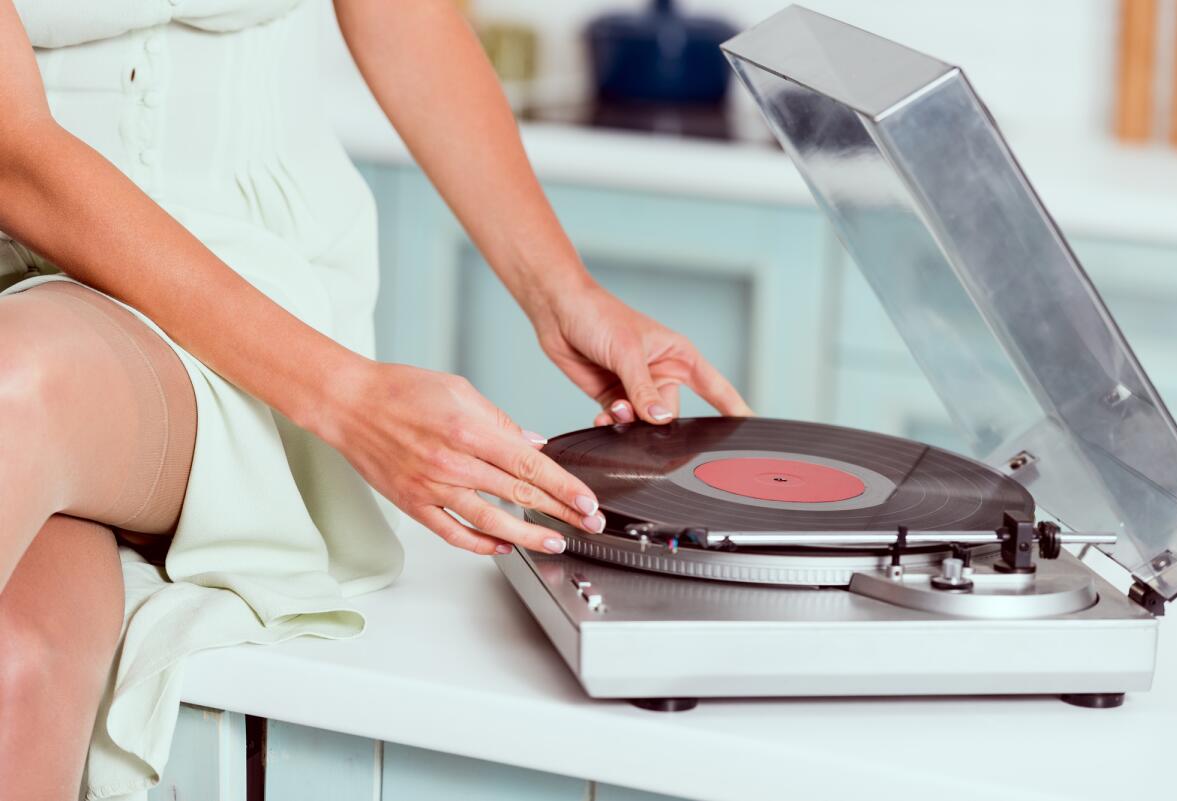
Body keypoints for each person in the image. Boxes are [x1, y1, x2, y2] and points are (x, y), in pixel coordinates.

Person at [0, 0, 751, 798]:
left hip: (256, 296)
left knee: (18, 384)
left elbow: (403, 15)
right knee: (20, 667)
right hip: (31, 253)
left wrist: (561, 291)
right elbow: (15, 154)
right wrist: (354, 399)